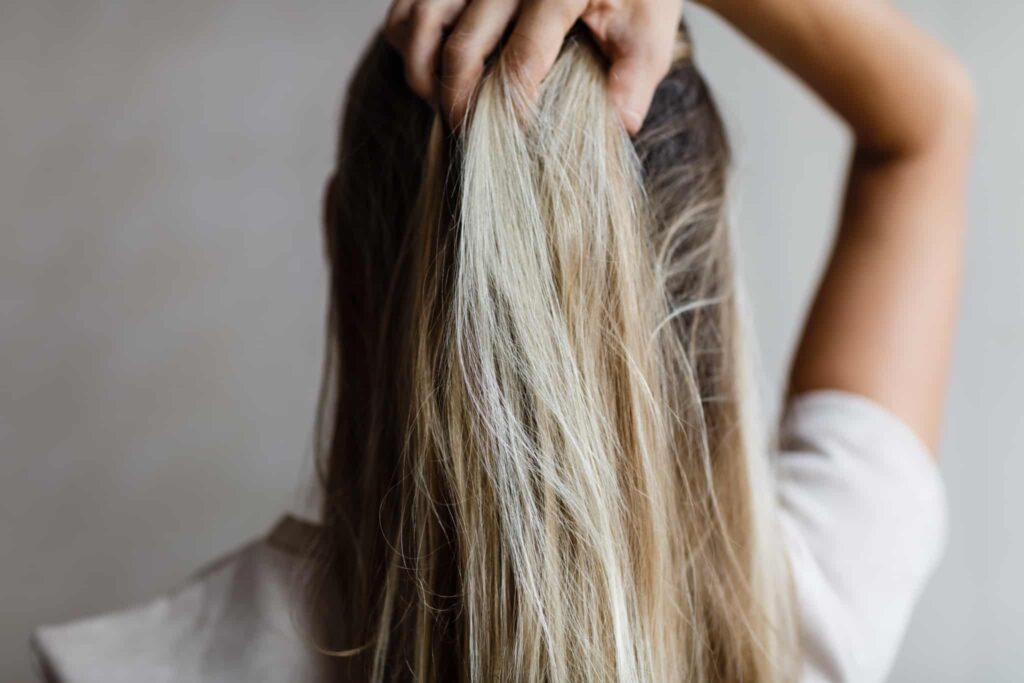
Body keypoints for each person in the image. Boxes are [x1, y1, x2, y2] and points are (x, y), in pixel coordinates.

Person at [31, 0, 975, 681]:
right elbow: (927, 121)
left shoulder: (131, 665)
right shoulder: (806, 610)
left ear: (343, 245)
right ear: (703, 277)